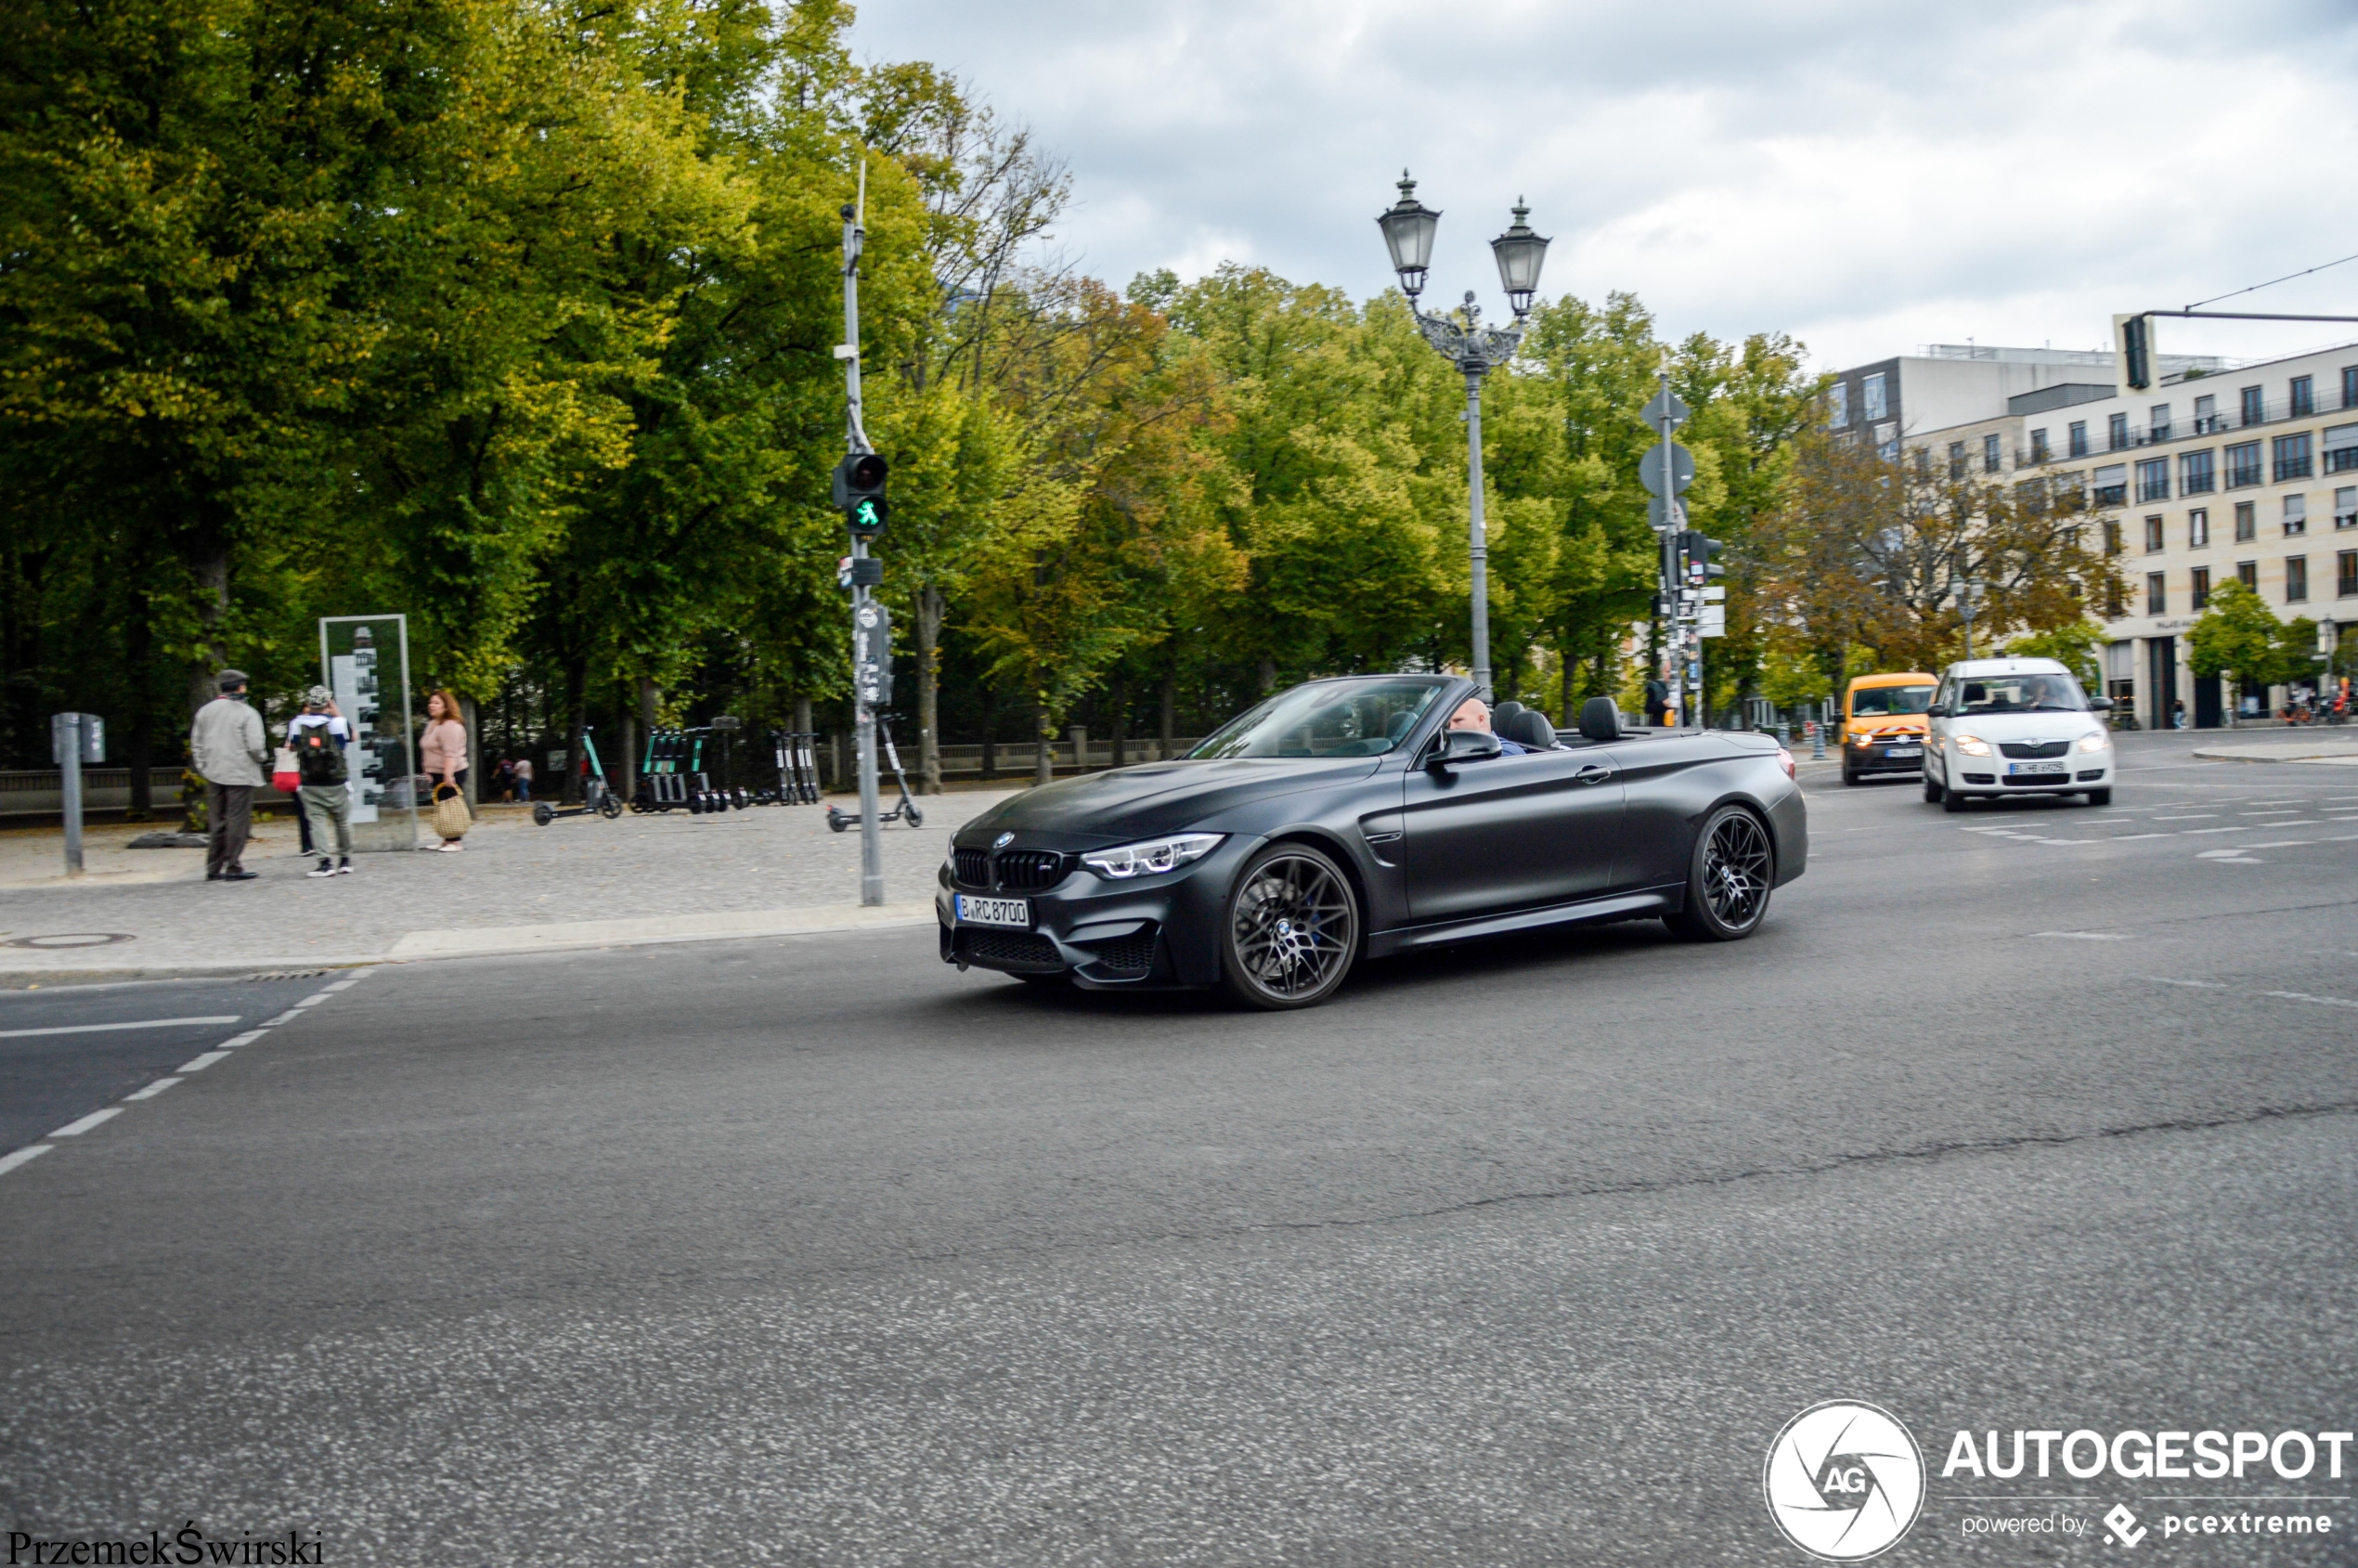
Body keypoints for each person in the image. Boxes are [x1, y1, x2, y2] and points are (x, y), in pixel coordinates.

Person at [190, 667, 268, 881]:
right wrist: (262, 758)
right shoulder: (247, 712)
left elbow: (196, 744)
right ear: (241, 687)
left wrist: (204, 767)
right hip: (240, 773)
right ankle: (233, 866)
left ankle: (213, 867)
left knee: (217, 820)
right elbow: (255, 746)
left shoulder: (205, 711)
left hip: (213, 772)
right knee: (237, 820)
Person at [288, 686, 354, 877]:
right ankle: (345, 860)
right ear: (328, 703)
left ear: (308, 704)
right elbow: (351, 739)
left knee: (317, 821)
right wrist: (337, 713)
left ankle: (325, 863)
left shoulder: (296, 723)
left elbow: (292, 746)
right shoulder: (338, 723)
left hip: (309, 781)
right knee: (342, 821)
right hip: (337, 780)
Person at [419, 689, 470, 850]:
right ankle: (447, 840)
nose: (431, 705)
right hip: (436, 772)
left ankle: (456, 841)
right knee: (442, 807)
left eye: (436, 703)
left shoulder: (450, 726)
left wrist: (448, 775)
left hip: (451, 771)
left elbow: (450, 753)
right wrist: (427, 769)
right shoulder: (433, 724)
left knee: (451, 805)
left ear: (446, 707)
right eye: (430, 702)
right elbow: (428, 748)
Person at [1446, 697, 1527, 755]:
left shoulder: (1506, 753)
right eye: (1449, 724)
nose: (1451, 728)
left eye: (1458, 720)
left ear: (1481, 720)